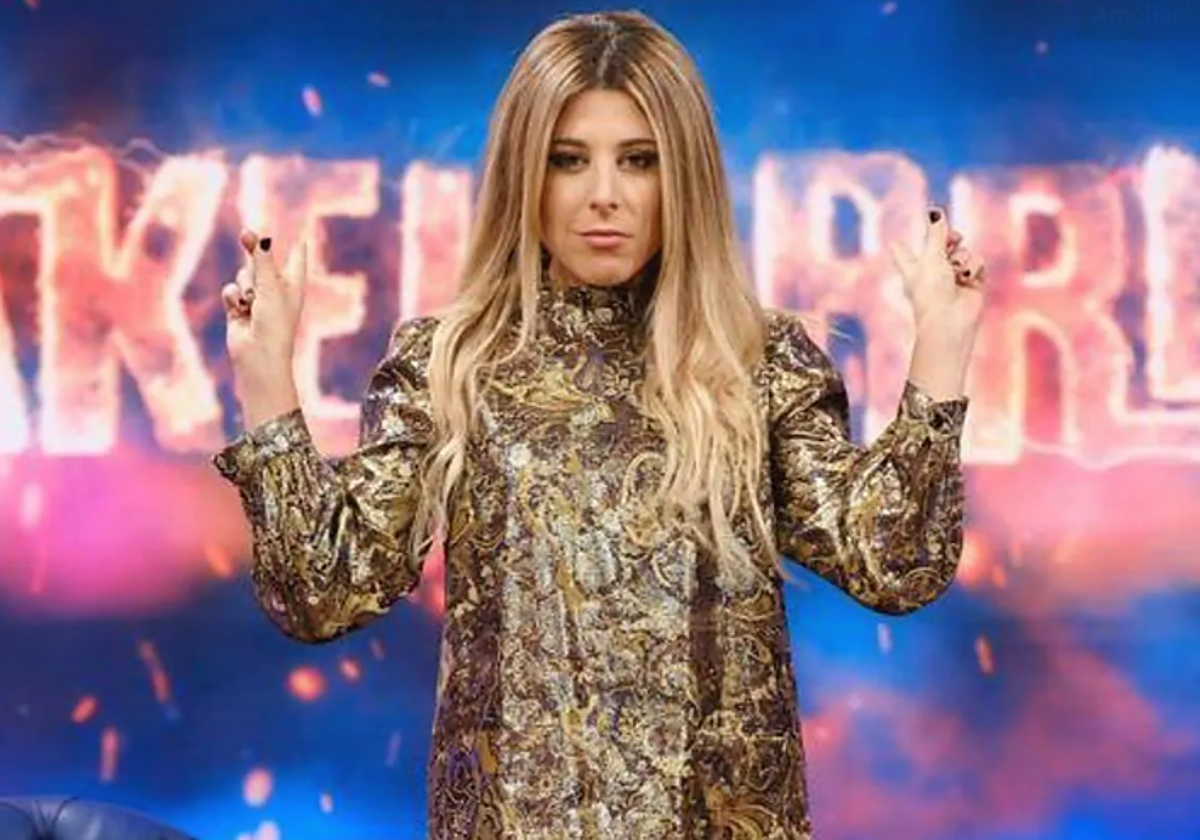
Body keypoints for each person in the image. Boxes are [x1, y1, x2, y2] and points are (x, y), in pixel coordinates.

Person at [213, 10, 985, 839]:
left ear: (684, 175)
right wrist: (265, 376)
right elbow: (320, 594)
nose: (604, 194)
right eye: (568, 159)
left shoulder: (756, 364)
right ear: (524, 174)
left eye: (639, 160)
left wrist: (943, 345)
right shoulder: (451, 363)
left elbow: (893, 563)